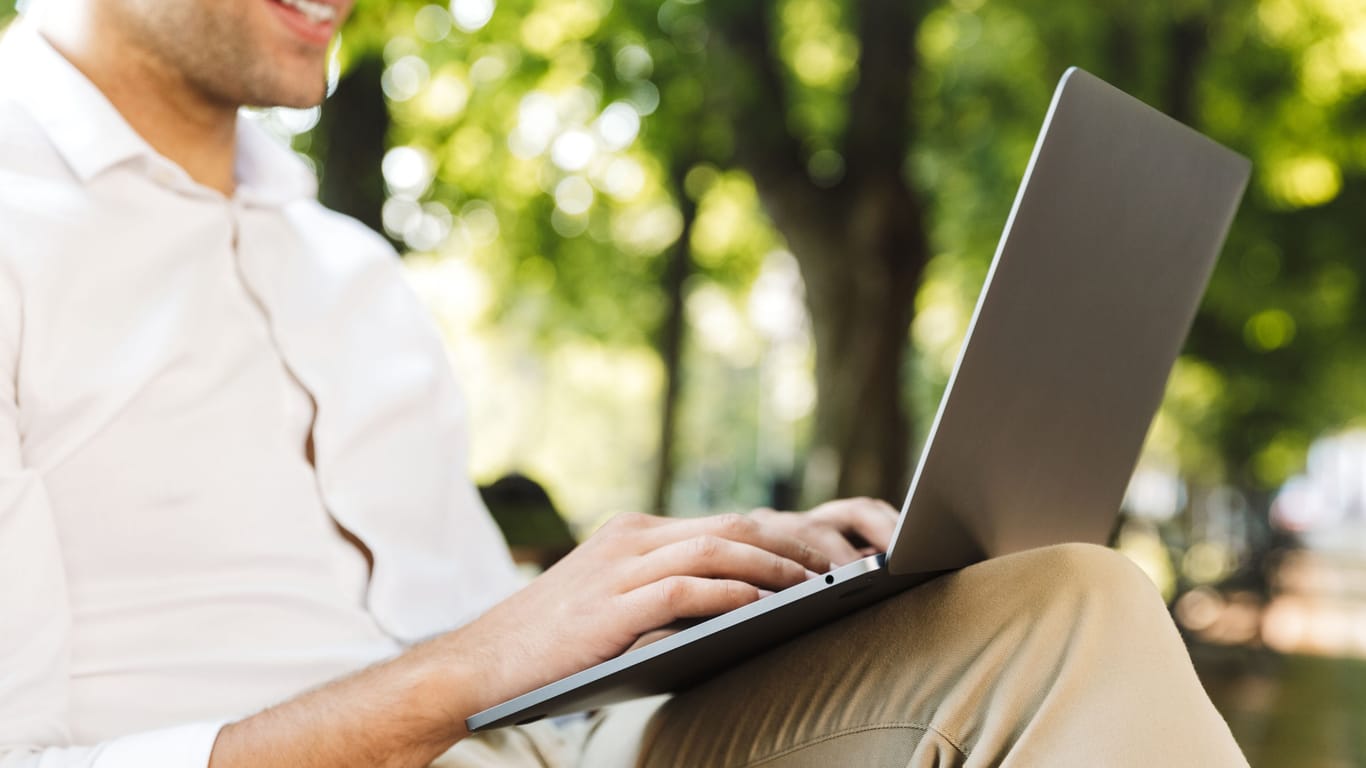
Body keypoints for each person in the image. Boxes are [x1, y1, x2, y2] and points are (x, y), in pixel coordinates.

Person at [0, 0, 1249, 766]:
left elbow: (484, 647)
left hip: (552, 747)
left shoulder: (352, 272)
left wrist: (695, 588)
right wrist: (471, 669)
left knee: (1066, 609)